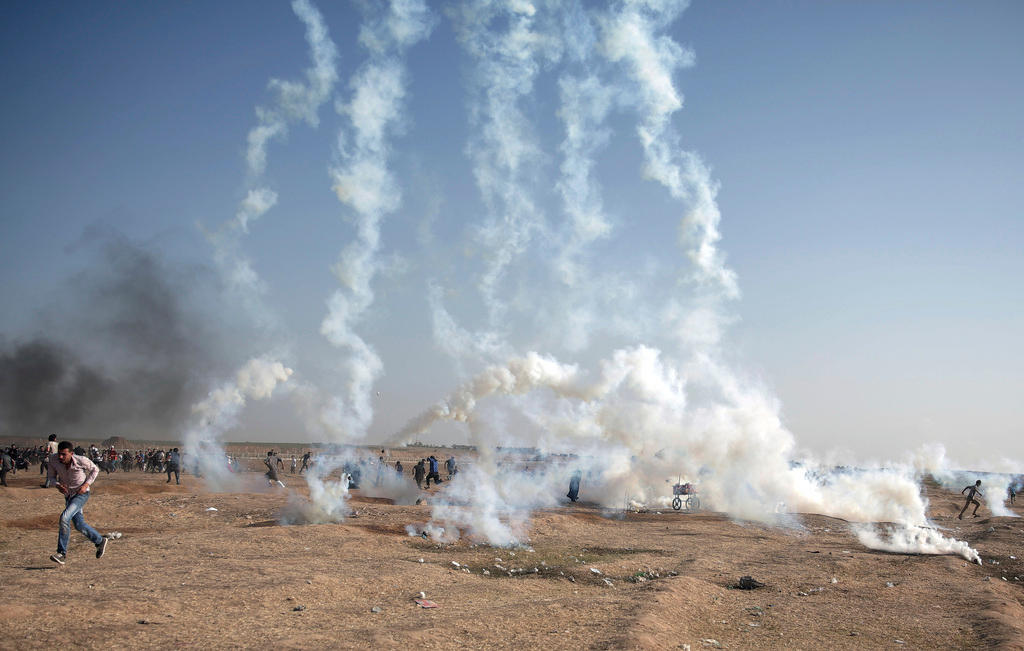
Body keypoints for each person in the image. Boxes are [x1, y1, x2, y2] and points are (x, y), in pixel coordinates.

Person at [46, 441, 107, 565]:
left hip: (81, 494)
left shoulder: (81, 460)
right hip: (69, 496)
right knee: (79, 525)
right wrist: (57, 485)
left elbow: (95, 470)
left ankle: (61, 553)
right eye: (59, 454)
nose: (61, 457)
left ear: (71, 453)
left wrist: (86, 485)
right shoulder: (53, 460)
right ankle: (99, 541)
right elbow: (51, 477)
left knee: (64, 518)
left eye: (64, 454)